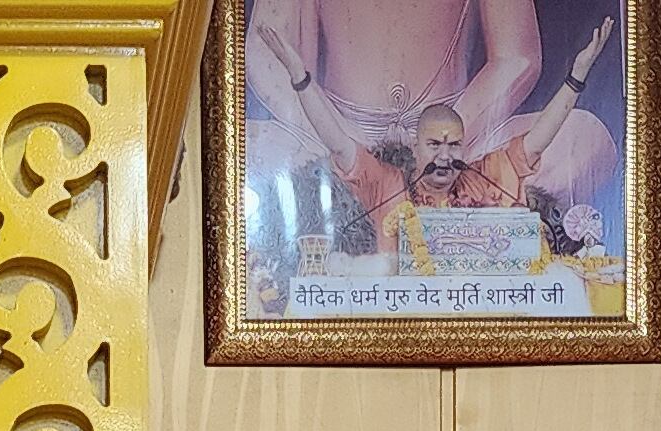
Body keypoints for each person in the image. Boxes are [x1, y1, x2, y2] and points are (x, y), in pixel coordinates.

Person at [248, 18, 617, 261]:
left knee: (582, 135)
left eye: (453, 145)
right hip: (400, 310)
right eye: (434, 146)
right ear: (415, 149)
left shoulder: (483, 176)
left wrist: (576, 79)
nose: (444, 156)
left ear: (465, 147)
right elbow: (337, 143)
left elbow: (537, 140)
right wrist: (299, 76)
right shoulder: (388, 184)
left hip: (475, 303)